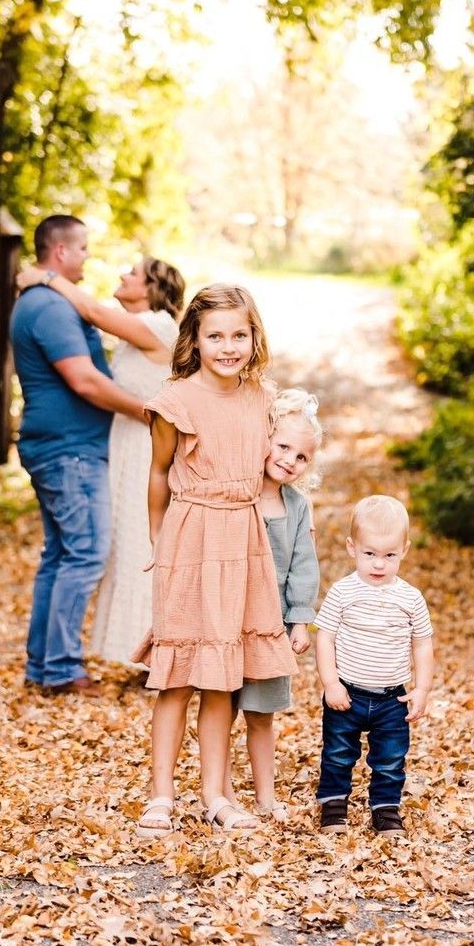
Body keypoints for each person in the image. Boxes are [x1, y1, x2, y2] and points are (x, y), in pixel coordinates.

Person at [133, 284, 298, 838]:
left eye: (239, 335)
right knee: (178, 675)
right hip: (191, 538)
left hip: (244, 540)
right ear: (195, 341)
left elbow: (283, 468)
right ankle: (160, 794)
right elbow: (159, 473)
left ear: (254, 338)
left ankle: (215, 794)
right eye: (216, 336)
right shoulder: (175, 402)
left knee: (222, 677)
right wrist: (160, 543)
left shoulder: (264, 399)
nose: (228, 346)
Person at [17, 257, 185, 666]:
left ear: (150, 289)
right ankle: (135, 651)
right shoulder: (135, 335)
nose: (122, 273)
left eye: (133, 272)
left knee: (141, 545)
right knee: (123, 549)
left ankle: (160, 655)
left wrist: (46, 276)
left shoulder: (159, 325)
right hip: (127, 448)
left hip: (147, 449)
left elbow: (90, 311)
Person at [9, 215, 148, 696]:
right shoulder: (49, 307)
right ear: (61, 252)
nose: (88, 256)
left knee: (62, 555)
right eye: (84, 248)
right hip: (68, 451)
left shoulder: (46, 299)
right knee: (87, 553)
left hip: (62, 446)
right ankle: (62, 669)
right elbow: (85, 380)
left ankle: (43, 666)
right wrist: (146, 412)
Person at [315, 494, 435, 836]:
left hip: (391, 699)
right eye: (370, 554)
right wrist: (331, 683)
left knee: (390, 759)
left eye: (389, 555)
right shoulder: (343, 592)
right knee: (338, 752)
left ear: (404, 551)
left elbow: (422, 642)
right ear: (352, 548)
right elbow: (325, 637)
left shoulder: (410, 598)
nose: (379, 564)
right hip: (347, 693)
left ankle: (385, 808)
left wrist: (422, 689)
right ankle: (334, 803)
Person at [232, 388, 322, 821]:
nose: (289, 459)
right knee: (220, 707)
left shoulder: (297, 506)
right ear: (265, 438)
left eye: (301, 456)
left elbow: (304, 566)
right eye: (283, 446)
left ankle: (266, 798)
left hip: (272, 627)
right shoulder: (239, 493)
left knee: (261, 714)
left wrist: (300, 622)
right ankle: (222, 793)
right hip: (229, 620)